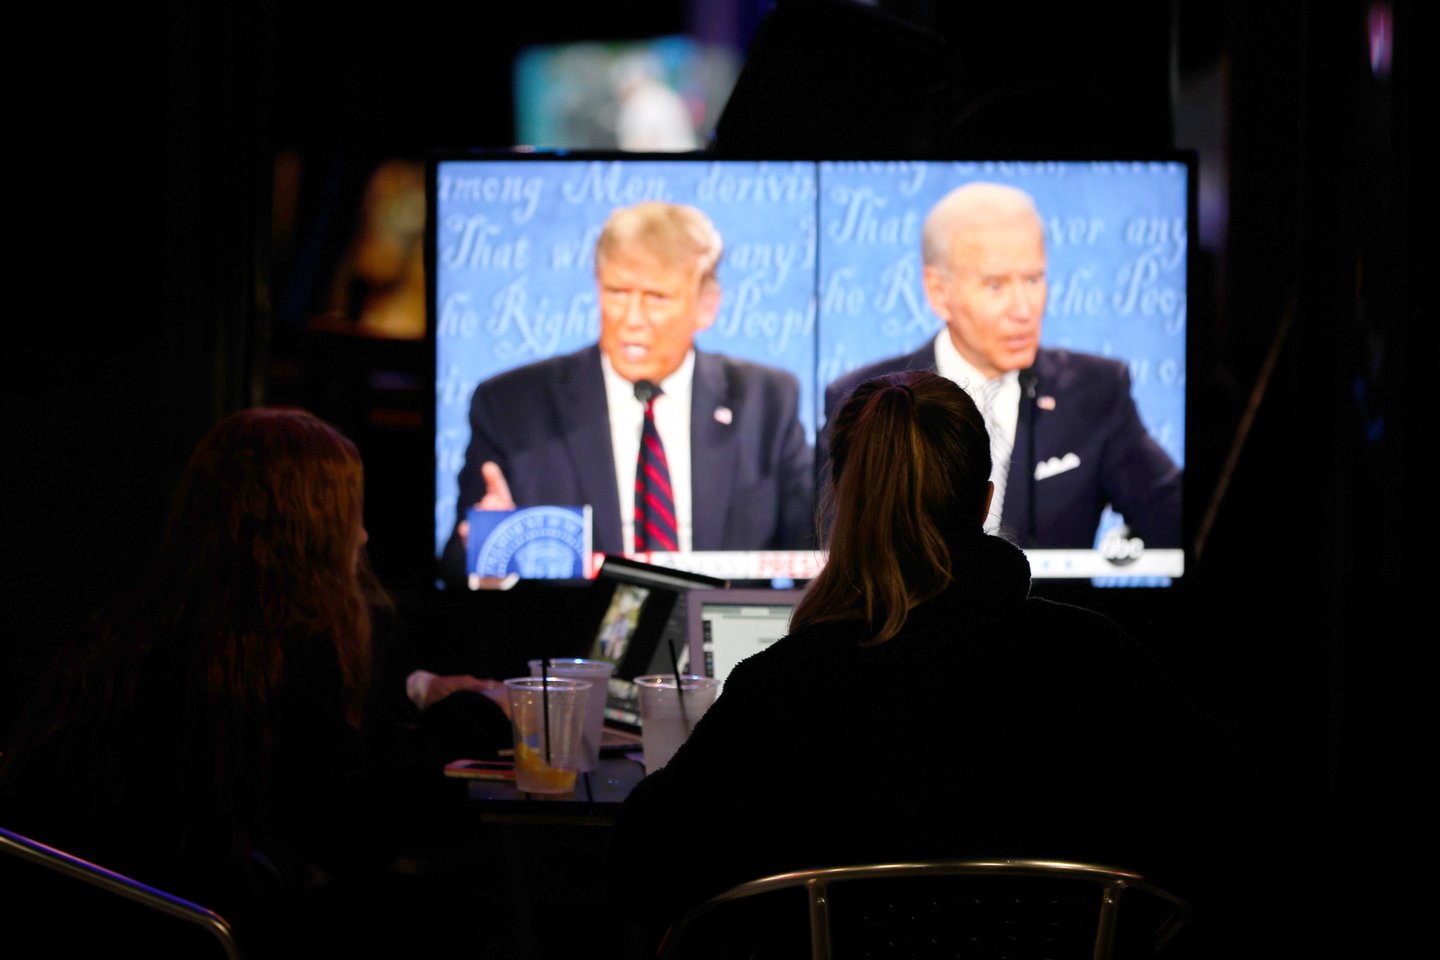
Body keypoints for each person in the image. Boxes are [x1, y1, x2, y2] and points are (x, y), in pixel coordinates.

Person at [612, 371, 1259, 952]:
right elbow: (1236, 823)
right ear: (984, 503)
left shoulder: (786, 685)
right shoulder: (1095, 661)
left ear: (846, 502)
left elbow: (644, 869)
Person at [0, 408, 510, 951]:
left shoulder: (158, 617)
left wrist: (421, 694)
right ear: (305, 526)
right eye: (349, 515)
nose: (361, 536)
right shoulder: (280, 646)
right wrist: (483, 715)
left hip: (80, 903)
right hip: (186, 921)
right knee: (465, 908)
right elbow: (353, 834)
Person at [441, 201, 814, 579]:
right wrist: (488, 554)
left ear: (706, 306)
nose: (632, 319)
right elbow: (455, 568)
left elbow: (816, 559)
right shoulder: (511, 406)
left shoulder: (766, 402)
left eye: (656, 297)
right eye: (617, 292)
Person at [823, 182, 1182, 549]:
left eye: (1033, 279)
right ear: (938, 291)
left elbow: (1176, 523)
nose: (1023, 310)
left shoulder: (1097, 391)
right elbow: (837, 556)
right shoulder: (868, 399)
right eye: (996, 286)